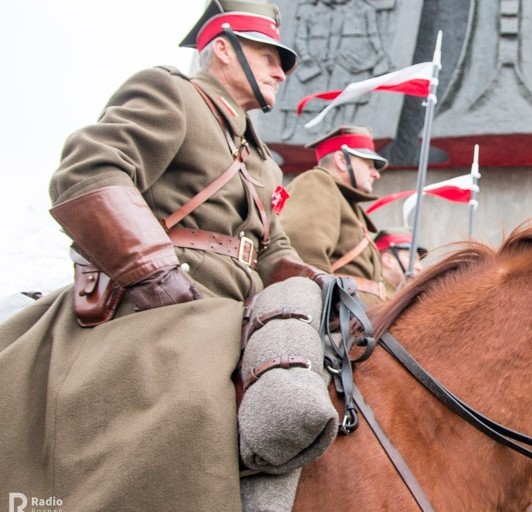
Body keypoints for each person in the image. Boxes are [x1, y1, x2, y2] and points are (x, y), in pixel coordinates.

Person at [0, 1, 331, 509]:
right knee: (192, 406)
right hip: (158, 301)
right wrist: (159, 280)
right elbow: (88, 172)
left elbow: (272, 246)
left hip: (238, 306)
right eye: (268, 55)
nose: (280, 71)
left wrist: (316, 286)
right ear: (222, 49)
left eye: (282, 62)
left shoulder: (261, 159)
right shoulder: (172, 94)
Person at [280, 125, 390, 306]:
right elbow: (305, 259)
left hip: (359, 316)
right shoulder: (316, 182)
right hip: (339, 318)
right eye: (369, 165)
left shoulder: (344, 200)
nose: (376, 174)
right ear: (341, 160)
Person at [374, 227, 428, 296]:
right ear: (387, 260)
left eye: (418, 260)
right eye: (412, 258)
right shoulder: (374, 298)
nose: (420, 267)